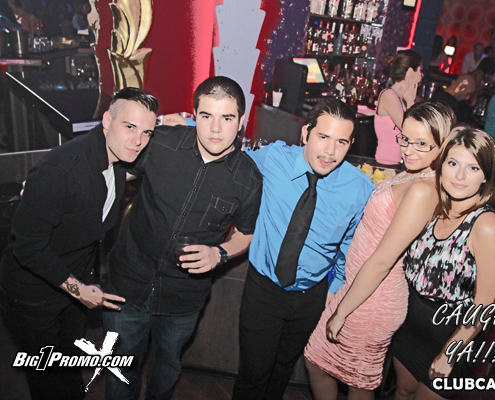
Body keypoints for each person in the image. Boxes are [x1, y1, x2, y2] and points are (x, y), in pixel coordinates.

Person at [104, 76, 263, 400]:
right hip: (128, 283)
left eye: (227, 118)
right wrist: (58, 184)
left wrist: (219, 253)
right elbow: (111, 162)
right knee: (119, 371)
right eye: (206, 116)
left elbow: (246, 233)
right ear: (194, 114)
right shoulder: (161, 143)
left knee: (166, 368)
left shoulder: (248, 179)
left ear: (241, 121)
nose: (215, 129)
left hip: (183, 298)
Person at [0, 87, 158, 400]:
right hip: (32, 294)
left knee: (69, 372)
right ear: (107, 121)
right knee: (46, 381)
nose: (138, 140)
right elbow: (28, 247)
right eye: (129, 126)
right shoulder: (61, 169)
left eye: (147, 132)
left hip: (71, 288)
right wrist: (79, 290)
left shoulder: (120, 158)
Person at [304, 101, 456, 400]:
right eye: (405, 139)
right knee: (320, 364)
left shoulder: (424, 189)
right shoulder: (412, 174)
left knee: (357, 381)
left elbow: (384, 260)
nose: (408, 150)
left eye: (422, 144)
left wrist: (343, 310)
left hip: (373, 299)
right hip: (359, 287)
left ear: (443, 146)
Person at [231, 99, 374, 400]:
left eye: (341, 142)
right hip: (264, 290)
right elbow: (230, 156)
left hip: (312, 297)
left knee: (282, 369)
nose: (330, 152)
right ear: (306, 133)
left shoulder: (359, 189)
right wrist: (183, 125)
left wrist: (333, 290)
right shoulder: (273, 159)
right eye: (323, 137)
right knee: (253, 373)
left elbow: (350, 247)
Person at [390, 126, 495, 399]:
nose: (460, 175)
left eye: (473, 168)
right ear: (441, 165)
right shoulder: (433, 207)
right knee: (402, 392)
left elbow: (485, 304)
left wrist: (450, 353)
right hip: (409, 328)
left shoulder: (486, 225)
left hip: (451, 337)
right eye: (453, 163)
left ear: (486, 176)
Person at [374, 50, 423, 165]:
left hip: (400, 163)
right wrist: (410, 102)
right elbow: (409, 129)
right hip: (386, 164)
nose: (422, 75)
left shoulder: (406, 97)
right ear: (410, 71)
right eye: (420, 70)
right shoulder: (389, 95)